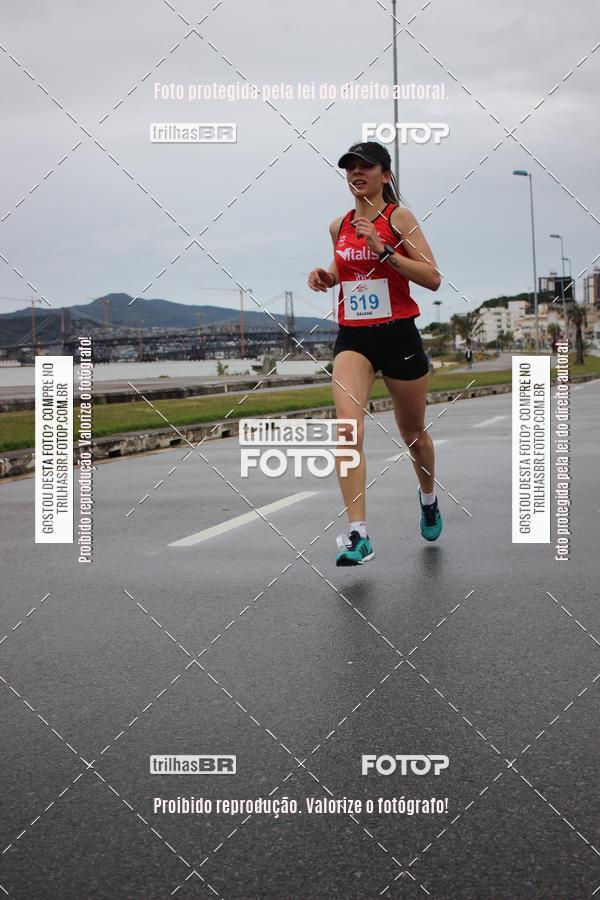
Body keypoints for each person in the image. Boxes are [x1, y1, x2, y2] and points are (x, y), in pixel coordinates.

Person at [308, 141, 443, 566]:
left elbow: (433, 278)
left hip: (398, 335)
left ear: (386, 175)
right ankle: (358, 534)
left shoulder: (397, 217)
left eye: (367, 166)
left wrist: (386, 250)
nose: (357, 172)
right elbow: (346, 271)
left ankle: (428, 498)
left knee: (414, 436)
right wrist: (327, 278)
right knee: (349, 431)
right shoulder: (339, 225)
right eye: (350, 167)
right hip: (354, 339)